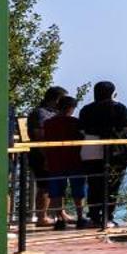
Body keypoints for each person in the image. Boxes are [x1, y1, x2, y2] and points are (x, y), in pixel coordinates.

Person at [78, 81, 127, 228]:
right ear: (112, 93)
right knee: (112, 186)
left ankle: (94, 216)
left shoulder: (87, 109)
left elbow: (82, 130)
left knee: (93, 184)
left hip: (91, 150)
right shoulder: (119, 108)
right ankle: (108, 217)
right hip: (115, 152)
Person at [35, 93, 86, 229]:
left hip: (55, 160)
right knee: (78, 190)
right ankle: (80, 217)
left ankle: (59, 219)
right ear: (71, 108)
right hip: (74, 160)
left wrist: (46, 158)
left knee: (57, 191)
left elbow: (45, 141)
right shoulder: (75, 123)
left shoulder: (48, 123)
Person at [25, 85, 69, 226]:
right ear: (57, 100)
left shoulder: (55, 113)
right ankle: (42, 217)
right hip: (41, 154)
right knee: (45, 185)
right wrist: (46, 157)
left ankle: (60, 212)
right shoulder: (41, 113)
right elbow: (39, 136)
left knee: (58, 184)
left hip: (55, 153)